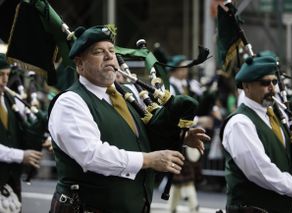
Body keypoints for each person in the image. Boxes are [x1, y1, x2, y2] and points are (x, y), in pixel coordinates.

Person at [48, 24, 210, 213]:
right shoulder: (70, 102)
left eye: (111, 50)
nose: (109, 56)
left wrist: (179, 136)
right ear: (80, 64)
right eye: (99, 52)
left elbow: (143, 136)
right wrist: (147, 160)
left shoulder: (125, 93)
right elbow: (91, 155)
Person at [220, 55, 292, 213]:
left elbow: (286, 148)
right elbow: (259, 170)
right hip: (252, 208)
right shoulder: (240, 123)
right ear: (246, 86)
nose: (273, 88)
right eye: (265, 83)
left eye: (274, 81)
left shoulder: (273, 114)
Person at [0, 53, 43, 212]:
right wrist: (21, 156)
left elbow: (23, 128)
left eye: (7, 74)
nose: (4, 80)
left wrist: (41, 139)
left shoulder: (11, 100)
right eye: (0, 75)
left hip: (11, 181)